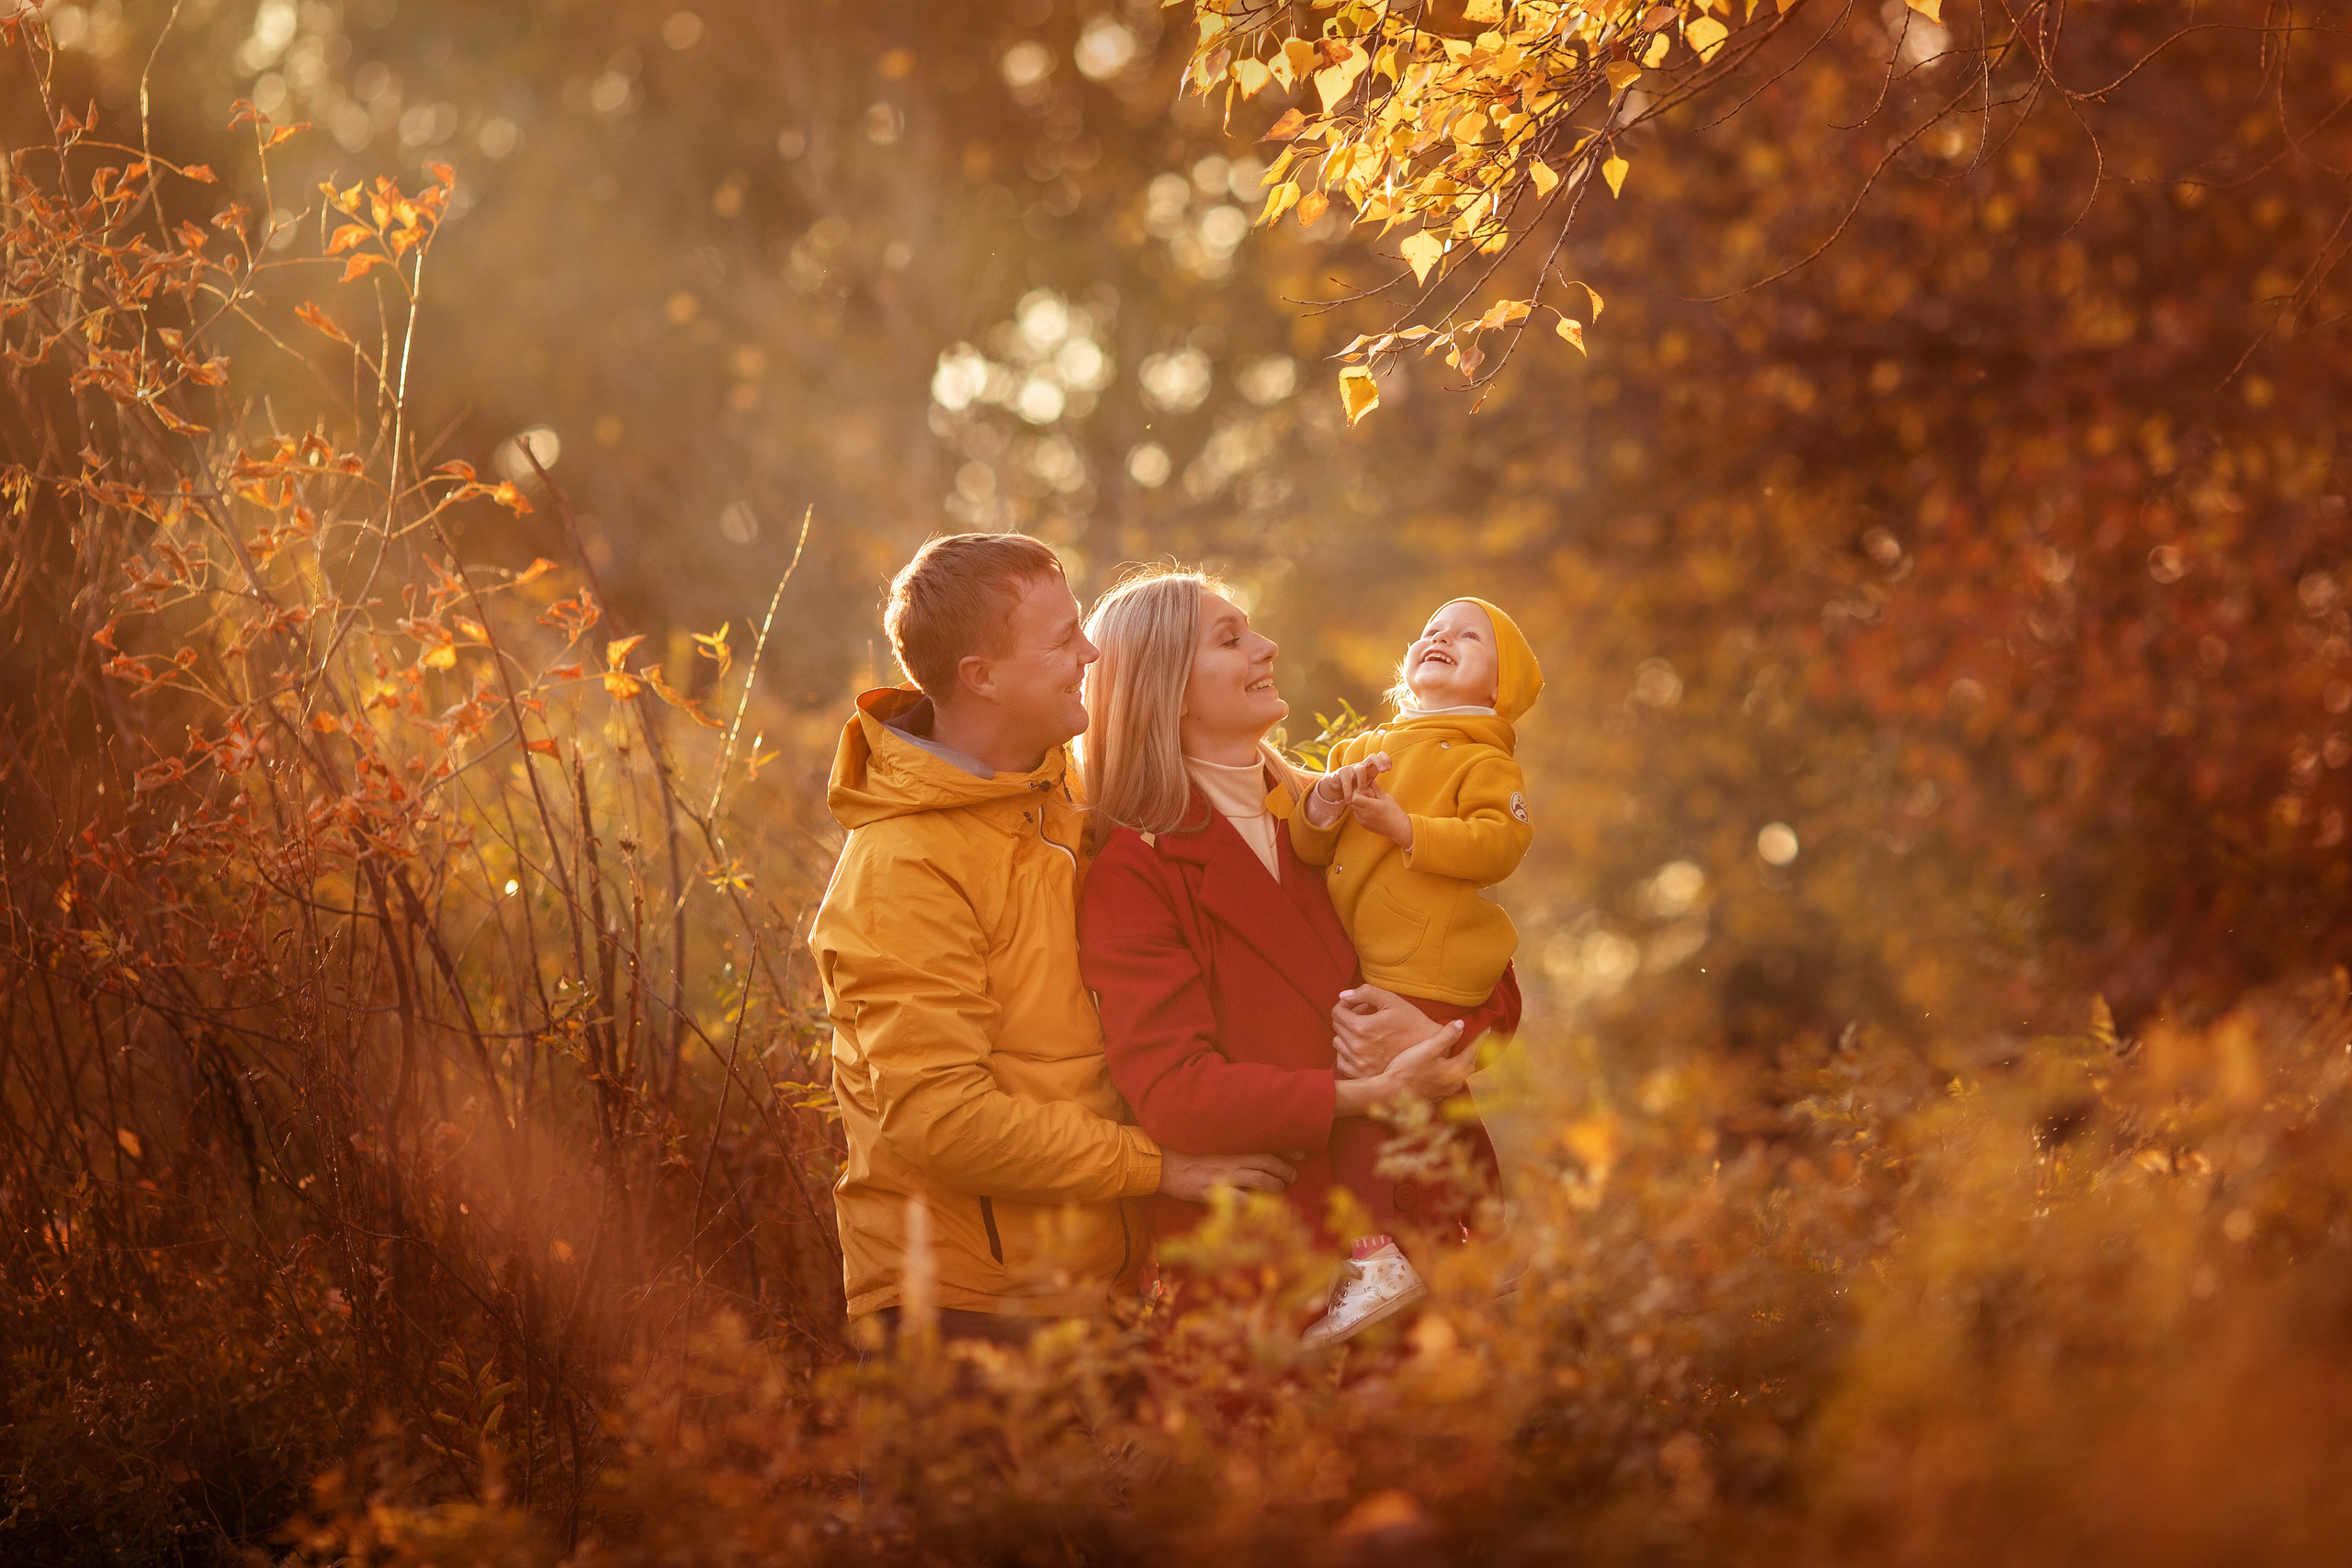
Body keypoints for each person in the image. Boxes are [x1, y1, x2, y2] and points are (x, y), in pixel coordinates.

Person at [811, 533, 1300, 1347]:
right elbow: (943, 1119)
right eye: (1065, 638)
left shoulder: (1069, 795)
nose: (1092, 652)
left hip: (1099, 1288)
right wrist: (1159, 1166)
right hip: (966, 1309)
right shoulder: (902, 867)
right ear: (983, 677)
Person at [1075, 567, 1521, 1343]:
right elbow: (1177, 1092)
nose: (1267, 646)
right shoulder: (1137, 871)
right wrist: (1367, 1091)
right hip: (1274, 1287)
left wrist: (1436, 1037)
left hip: (1428, 1243)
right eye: (1231, 639)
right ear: (1170, 690)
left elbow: (1487, 980)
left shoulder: (1333, 814)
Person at [1287, 596, 1542, 1344]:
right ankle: (1486, 1233)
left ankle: (1378, 1257)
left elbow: (1499, 844)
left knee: (1377, 1111)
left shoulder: (1483, 759)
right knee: (1438, 1101)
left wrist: (1406, 829)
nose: (1441, 637)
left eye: (1468, 636)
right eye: (1431, 630)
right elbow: (1309, 849)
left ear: (1498, 685)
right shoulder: (1363, 748)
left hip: (1429, 961)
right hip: (1371, 962)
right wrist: (1322, 802)